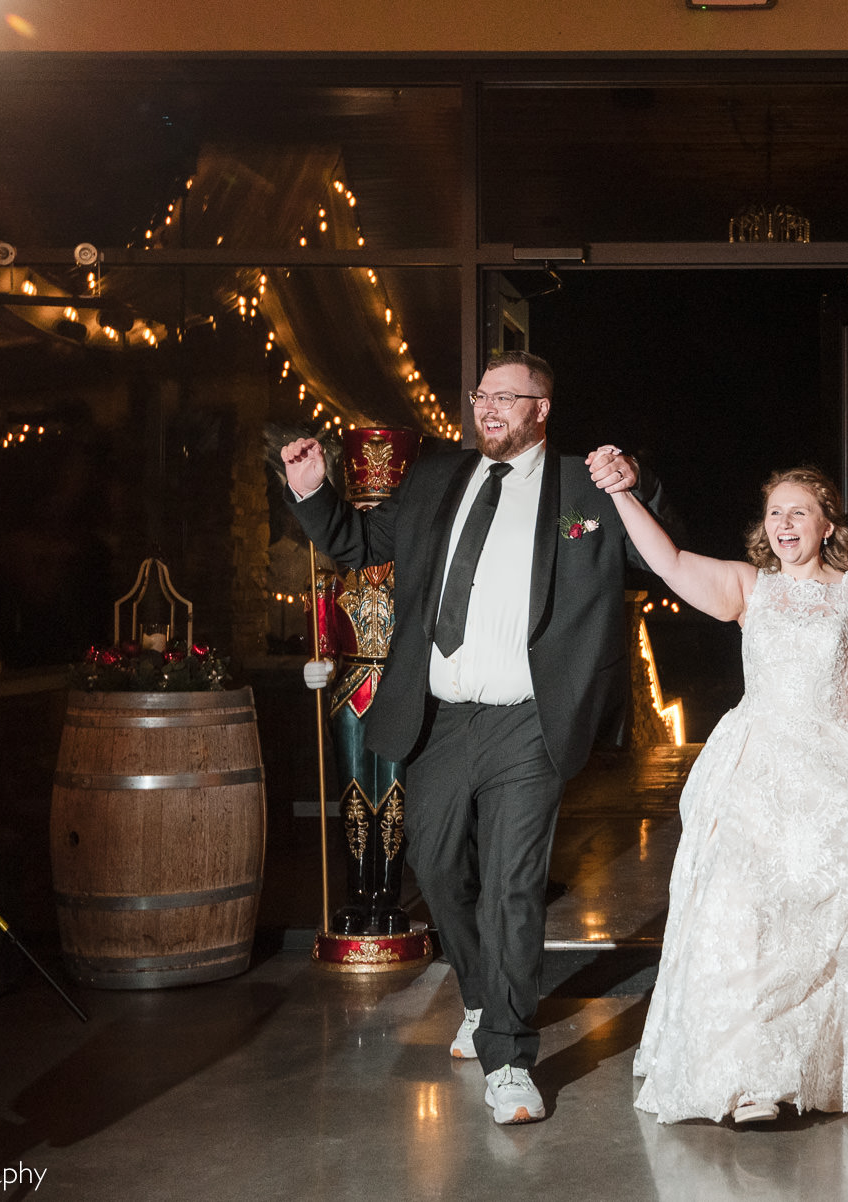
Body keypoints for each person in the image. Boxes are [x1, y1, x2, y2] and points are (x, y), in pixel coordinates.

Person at [280, 350, 668, 1125]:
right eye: (480, 395)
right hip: (439, 713)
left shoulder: (581, 486)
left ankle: (510, 1057)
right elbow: (358, 546)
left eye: (505, 398)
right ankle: (486, 994)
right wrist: (311, 492)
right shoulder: (433, 478)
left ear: (542, 408)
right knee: (433, 861)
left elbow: (651, 551)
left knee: (512, 881)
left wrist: (637, 486)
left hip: (527, 719)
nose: (487, 409)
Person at [606, 465, 848, 1127]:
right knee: (743, 903)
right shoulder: (753, 588)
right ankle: (751, 1079)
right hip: (757, 763)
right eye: (776, 513)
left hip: (836, 756)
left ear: (828, 525)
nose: (786, 524)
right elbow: (670, 561)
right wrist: (622, 494)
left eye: (800, 512)